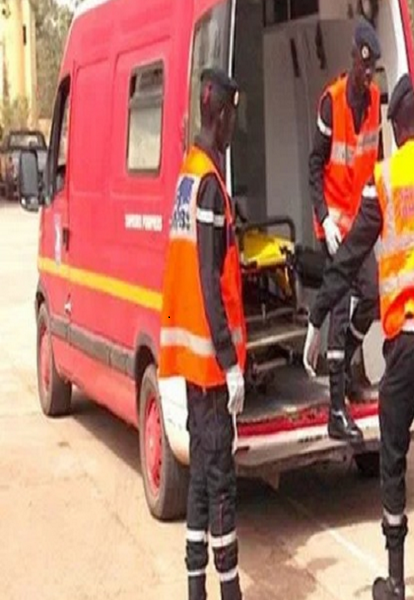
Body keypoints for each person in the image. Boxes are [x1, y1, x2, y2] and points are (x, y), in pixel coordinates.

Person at [303, 74, 414, 600]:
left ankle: (396, 580)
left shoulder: (386, 178)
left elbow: (351, 254)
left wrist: (317, 316)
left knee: (394, 460)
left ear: (397, 130)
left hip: (404, 346)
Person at [159, 69, 246, 600]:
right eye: (233, 114)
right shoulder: (210, 187)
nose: (235, 125)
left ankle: (196, 588)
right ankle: (230, 590)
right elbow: (211, 284)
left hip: (190, 362)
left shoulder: (188, 178)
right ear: (220, 113)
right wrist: (230, 361)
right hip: (211, 369)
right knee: (221, 485)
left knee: (197, 482)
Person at [308, 17, 383, 443]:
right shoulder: (330, 102)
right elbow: (314, 166)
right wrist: (322, 219)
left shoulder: (374, 100)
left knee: (370, 297)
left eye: (372, 70)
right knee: (339, 310)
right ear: (352, 58)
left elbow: (377, 158)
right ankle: (336, 409)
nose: (366, 75)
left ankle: (344, 365)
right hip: (336, 225)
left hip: (362, 224)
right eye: (362, 66)